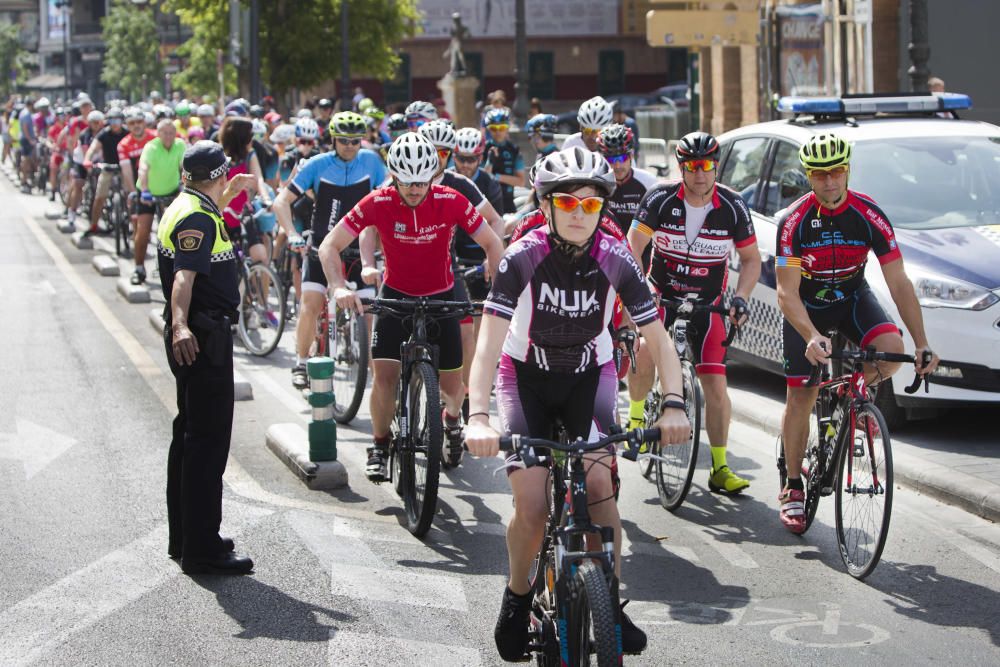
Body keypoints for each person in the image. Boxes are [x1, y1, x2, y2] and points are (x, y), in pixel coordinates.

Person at [464, 146, 690, 661]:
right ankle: (518, 597)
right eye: (568, 201)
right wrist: (478, 417)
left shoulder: (616, 257)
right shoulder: (522, 256)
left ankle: (608, 598)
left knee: (597, 484)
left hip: (590, 373)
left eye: (591, 205)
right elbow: (487, 346)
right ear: (546, 205)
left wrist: (673, 403)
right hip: (525, 375)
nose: (579, 213)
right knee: (534, 505)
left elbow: (658, 339)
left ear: (604, 210)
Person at [775, 133, 938, 532]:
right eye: (819, 175)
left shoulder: (869, 214)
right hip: (806, 308)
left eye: (836, 172)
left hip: (851, 298)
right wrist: (811, 335)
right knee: (802, 393)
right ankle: (793, 485)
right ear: (808, 176)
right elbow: (786, 292)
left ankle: (851, 394)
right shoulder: (793, 220)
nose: (829, 182)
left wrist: (922, 343)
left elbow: (898, 282)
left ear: (847, 170)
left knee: (890, 350)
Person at [320, 133, 503, 481]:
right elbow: (329, 246)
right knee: (384, 379)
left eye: (422, 181)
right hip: (395, 295)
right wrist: (339, 286)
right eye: (407, 182)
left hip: (441, 295)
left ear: (433, 175)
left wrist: (500, 286)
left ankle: (451, 423)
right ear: (395, 176)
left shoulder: (451, 199)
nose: (415, 189)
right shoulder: (378, 201)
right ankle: (380, 443)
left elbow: (493, 242)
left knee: (453, 389)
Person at [627, 131, 761, 494]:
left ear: (716, 167)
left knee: (716, 386)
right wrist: (640, 292)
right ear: (681, 167)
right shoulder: (659, 198)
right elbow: (633, 247)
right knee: (642, 351)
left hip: (708, 302)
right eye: (692, 167)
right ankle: (636, 420)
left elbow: (751, 261)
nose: (700, 174)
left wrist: (742, 297)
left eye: (707, 166)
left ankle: (719, 467)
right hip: (662, 292)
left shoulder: (733, 206)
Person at [157, 140, 256, 575]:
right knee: (208, 443)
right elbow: (184, 276)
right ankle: (202, 548)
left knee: (188, 436)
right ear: (216, 176)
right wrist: (181, 324)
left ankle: (185, 537)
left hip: (196, 332)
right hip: (202, 335)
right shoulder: (197, 216)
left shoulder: (184, 203)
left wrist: (227, 192)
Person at [272, 111, 386, 389]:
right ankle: (300, 362)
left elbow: (386, 201)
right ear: (333, 139)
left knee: (369, 314)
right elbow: (281, 202)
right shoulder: (316, 164)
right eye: (344, 140)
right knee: (310, 303)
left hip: (358, 251)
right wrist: (292, 234)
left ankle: (375, 381)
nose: (350, 145)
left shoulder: (372, 161)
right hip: (322, 248)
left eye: (355, 140)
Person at [420, 120, 505, 448]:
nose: (438, 158)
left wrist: (491, 254)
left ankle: (465, 400)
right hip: (408, 270)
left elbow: (495, 220)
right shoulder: (403, 178)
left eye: (445, 152)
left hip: (448, 268)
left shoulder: (458, 183)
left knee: (466, 334)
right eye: (433, 151)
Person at [133, 119, 185, 284]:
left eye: (171, 133)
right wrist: (146, 191)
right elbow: (143, 168)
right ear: (158, 133)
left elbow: (184, 167)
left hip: (170, 193)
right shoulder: (151, 147)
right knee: (143, 231)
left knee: (173, 232)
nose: (168, 136)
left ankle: (173, 269)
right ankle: (139, 269)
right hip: (148, 193)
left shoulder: (180, 145)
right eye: (164, 133)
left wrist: (185, 187)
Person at [218, 116, 271, 266]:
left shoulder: (250, 155)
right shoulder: (218, 156)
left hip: (243, 213)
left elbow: (258, 179)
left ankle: (263, 290)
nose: (252, 139)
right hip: (222, 214)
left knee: (261, 258)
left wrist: (266, 199)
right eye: (250, 135)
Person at [597, 123, 657, 239]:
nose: (617, 165)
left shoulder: (648, 182)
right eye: (611, 159)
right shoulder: (597, 184)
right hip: (607, 250)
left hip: (640, 251)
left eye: (622, 158)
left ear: (631, 156)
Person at [116, 108, 156, 280]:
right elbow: (126, 170)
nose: (136, 126)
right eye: (132, 123)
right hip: (137, 186)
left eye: (139, 121)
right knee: (142, 229)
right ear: (127, 125)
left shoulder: (155, 137)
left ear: (144, 122)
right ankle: (139, 268)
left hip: (158, 187)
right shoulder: (124, 144)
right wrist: (133, 192)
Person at [83, 107, 129, 236]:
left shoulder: (127, 133)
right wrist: (87, 159)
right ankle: (94, 225)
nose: (115, 123)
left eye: (118, 120)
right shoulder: (103, 134)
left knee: (130, 194)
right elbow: (93, 148)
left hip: (124, 168)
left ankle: (131, 221)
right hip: (107, 167)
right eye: (112, 120)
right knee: (99, 197)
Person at [65, 110, 104, 231]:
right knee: (78, 184)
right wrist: (88, 167)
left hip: (99, 162)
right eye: (93, 123)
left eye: (98, 122)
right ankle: (72, 213)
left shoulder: (105, 133)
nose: (95, 125)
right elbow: (86, 152)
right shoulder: (85, 134)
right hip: (82, 161)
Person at [483, 107, 525, 214]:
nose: (498, 132)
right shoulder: (483, 149)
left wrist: (496, 177)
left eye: (501, 127)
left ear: (507, 128)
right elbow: (483, 178)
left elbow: (521, 181)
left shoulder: (514, 150)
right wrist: (490, 160)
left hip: (507, 203)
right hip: (487, 203)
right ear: (488, 129)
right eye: (493, 128)